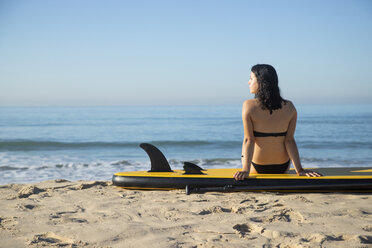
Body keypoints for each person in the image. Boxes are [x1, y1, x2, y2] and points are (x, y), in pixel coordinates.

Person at [234, 64, 321, 180]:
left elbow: (248, 140)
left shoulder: (248, 106)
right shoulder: (290, 107)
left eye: (251, 79)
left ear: (261, 81)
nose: (248, 82)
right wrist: (299, 170)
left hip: (257, 166)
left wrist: (245, 170)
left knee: (247, 139)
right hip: (282, 166)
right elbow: (289, 140)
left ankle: (246, 167)